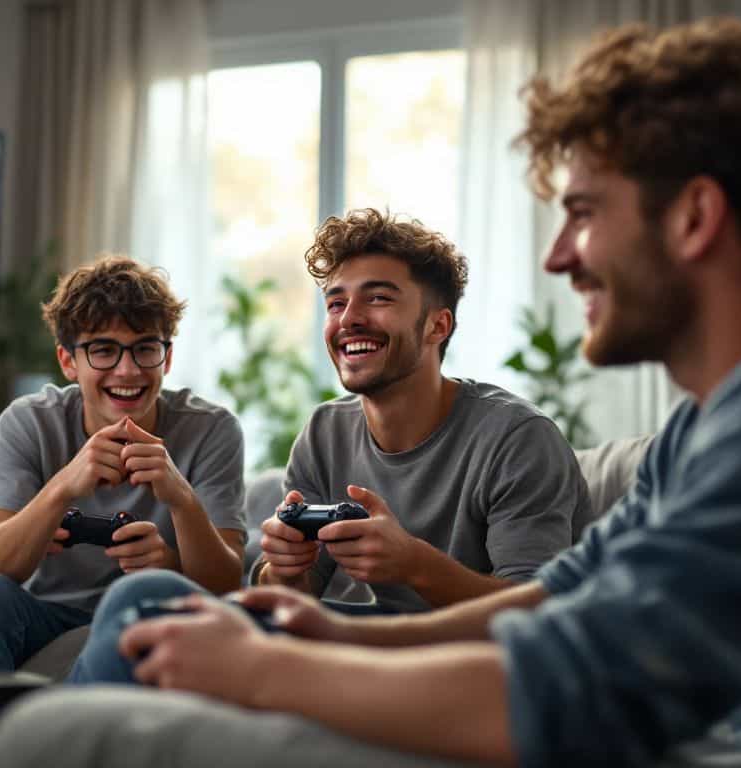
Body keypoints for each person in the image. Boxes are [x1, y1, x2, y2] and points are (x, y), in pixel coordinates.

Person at [0, 17, 741, 768]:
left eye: (582, 214)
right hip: (706, 729)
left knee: (51, 739)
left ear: (695, 215)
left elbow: (580, 683)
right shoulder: (719, 413)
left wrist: (283, 668)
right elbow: (570, 593)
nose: (562, 255)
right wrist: (321, 629)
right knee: (158, 616)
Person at [67, 208, 591, 683]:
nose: (349, 318)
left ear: (438, 324)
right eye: (336, 302)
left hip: (473, 663)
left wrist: (413, 563)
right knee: (145, 597)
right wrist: (287, 568)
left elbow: (537, 616)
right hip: (363, 640)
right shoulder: (325, 432)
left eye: (379, 298)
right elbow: (293, 599)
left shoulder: (516, 439)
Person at [0, 255, 247, 672]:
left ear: (166, 358)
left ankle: (63, 731)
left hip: (148, 610)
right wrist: (62, 487)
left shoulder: (211, 429)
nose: (127, 370)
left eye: (145, 349)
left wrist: (180, 503)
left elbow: (225, 587)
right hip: (44, 614)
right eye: (103, 351)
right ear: (68, 361)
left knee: (146, 591)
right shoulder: (30, 422)